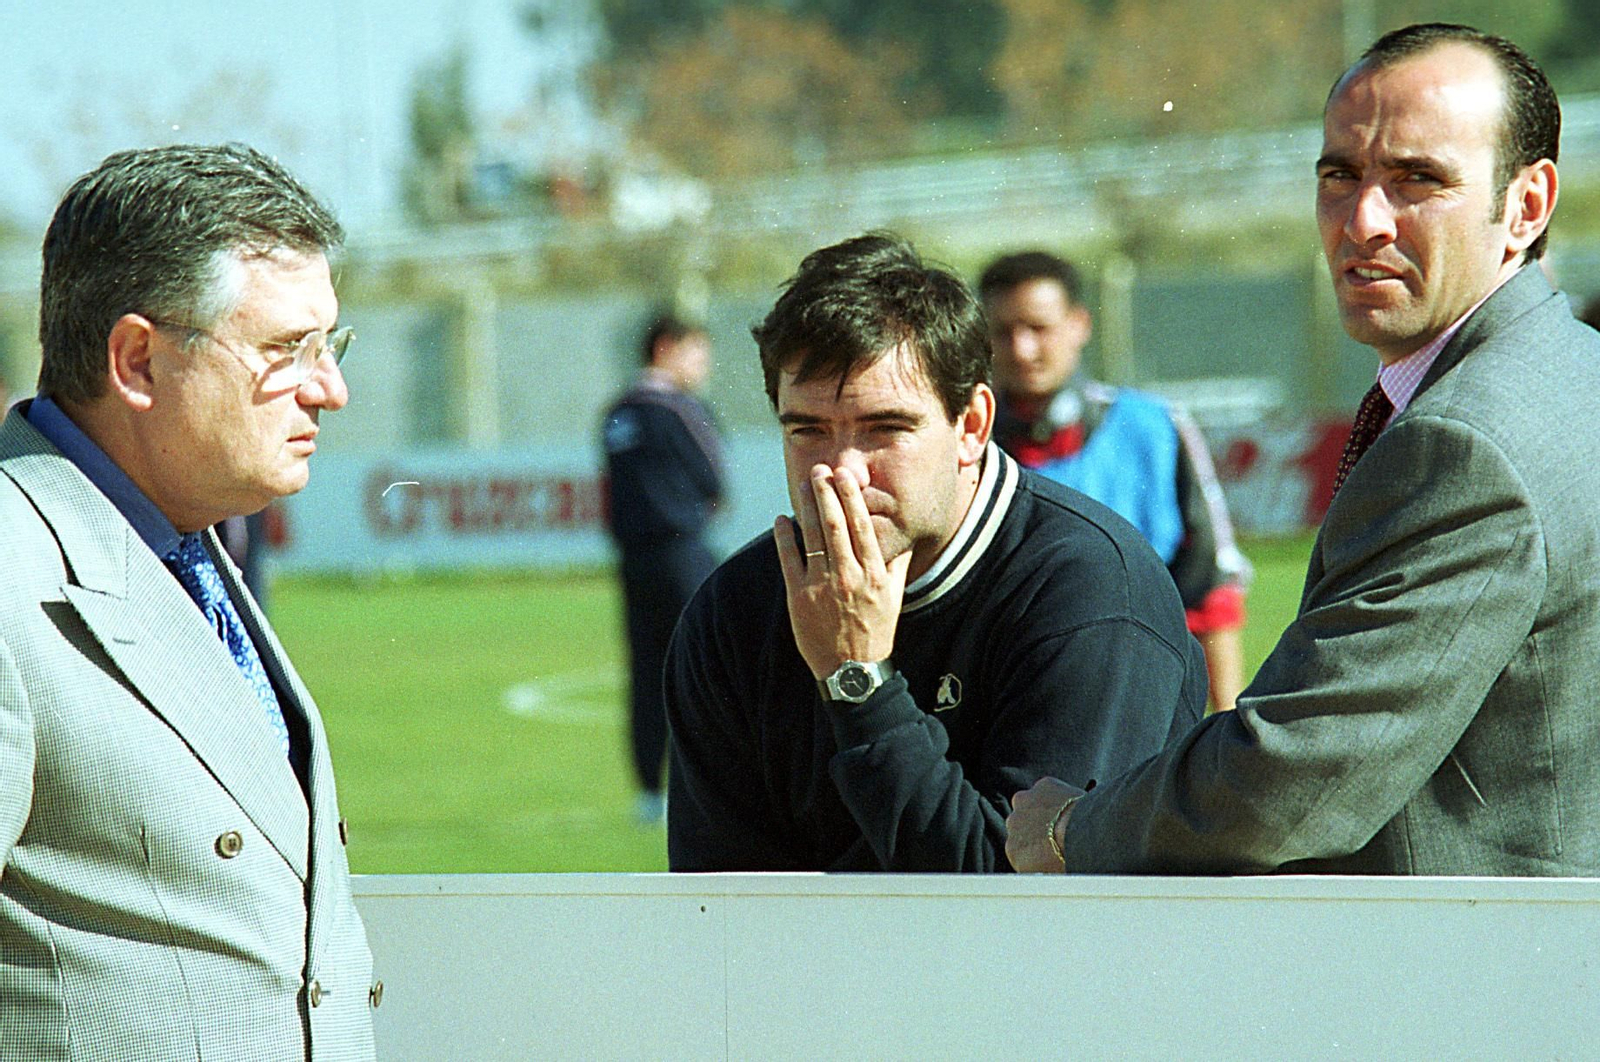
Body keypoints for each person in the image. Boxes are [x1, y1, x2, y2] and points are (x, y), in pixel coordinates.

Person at [1007, 23, 1600, 876]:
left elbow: (1286, 784)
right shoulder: (1567, 369)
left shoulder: (1466, 445)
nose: (1363, 221)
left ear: (1528, 204)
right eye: (1340, 175)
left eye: (1417, 180)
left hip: (1474, 980)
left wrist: (1072, 830)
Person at [665, 232, 1206, 872]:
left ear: (972, 425)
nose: (841, 472)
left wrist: (857, 679)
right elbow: (719, 921)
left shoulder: (1091, 590)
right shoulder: (734, 612)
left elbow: (1016, 905)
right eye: (808, 430)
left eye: (885, 428)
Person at [0, 144, 378, 1057]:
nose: (331, 389)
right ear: (137, 361)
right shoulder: (14, 575)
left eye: (331, 344)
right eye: (288, 350)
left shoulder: (183, 544)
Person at [979, 252, 1251, 711]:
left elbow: (1211, 590)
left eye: (1038, 328)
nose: (1022, 349)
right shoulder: (962, 441)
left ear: (1079, 325)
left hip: (1140, 707)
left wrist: (1227, 734)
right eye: (1003, 332)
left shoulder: (1154, 427)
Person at [600, 312, 724, 824]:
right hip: (682, 554)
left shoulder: (617, 412)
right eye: (697, 350)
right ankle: (702, 786)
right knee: (700, 668)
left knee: (646, 671)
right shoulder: (679, 409)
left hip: (632, 559)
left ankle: (649, 790)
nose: (704, 364)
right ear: (666, 348)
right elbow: (715, 475)